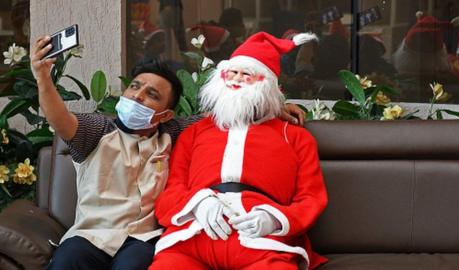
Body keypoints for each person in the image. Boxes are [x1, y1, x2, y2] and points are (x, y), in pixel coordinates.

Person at [31, 34, 306, 270]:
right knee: (68, 260)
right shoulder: (98, 130)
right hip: (91, 235)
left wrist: (273, 106)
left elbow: (232, 107)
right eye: (135, 87)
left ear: (165, 114)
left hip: (142, 238)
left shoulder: (172, 132)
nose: (138, 96)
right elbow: (59, 118)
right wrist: (43, 77)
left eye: (152, 95)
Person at [149, 32, 328, 270]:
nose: (236, 80)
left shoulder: (295, 137)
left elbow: (311, 198)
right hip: (193, 236)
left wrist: (273, 218)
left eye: (247, 75)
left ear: (267, 87)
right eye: (231, 73)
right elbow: (171, 191)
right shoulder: (195, 132)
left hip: (262, 245)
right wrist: (198, 204)